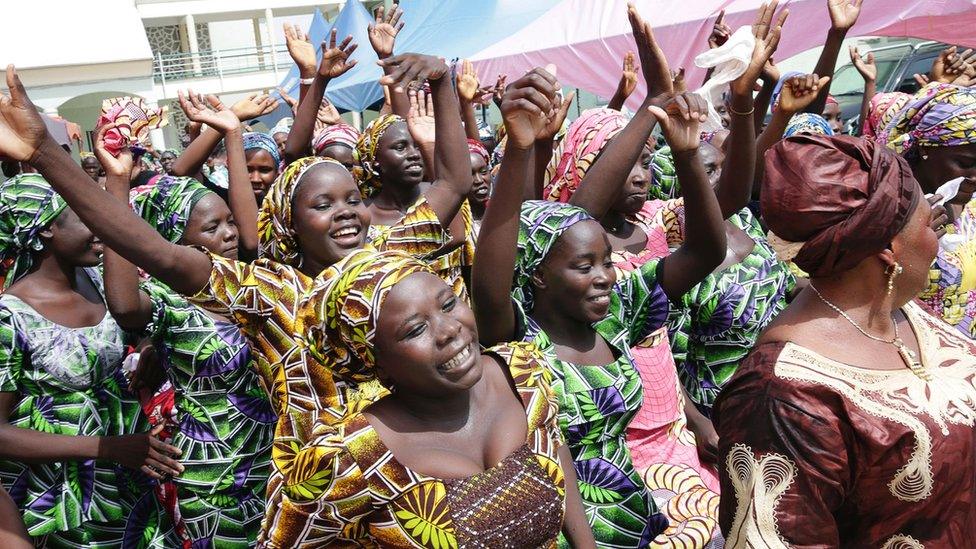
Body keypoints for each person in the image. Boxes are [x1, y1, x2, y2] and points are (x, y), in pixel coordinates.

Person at [0, 54, 471, 545]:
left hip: (415, 482)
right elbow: (154, 252)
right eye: (323, 205)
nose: (346, 214)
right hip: (325, 506)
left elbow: (452, 183)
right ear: (289, 223)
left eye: (353, 199)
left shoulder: (386, 263)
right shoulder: (271, 296)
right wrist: (46, 156)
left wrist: (441, 83)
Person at [474, 51, 728, 547]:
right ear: (539, 275)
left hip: (635, 520)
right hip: (568, 534)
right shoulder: (518, 341)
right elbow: (492, 270)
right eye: (584, 266)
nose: (605, 277)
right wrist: (521, 150)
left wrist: (687, 157)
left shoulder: (614, 319)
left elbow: (704, 250)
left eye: (606, 262)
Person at [715, 133, 976, 546]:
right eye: (928, 223)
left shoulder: (902, 312)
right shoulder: (783, 399)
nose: (937, 238)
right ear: (889, 249)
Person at [267, 247, 596, 547]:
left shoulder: (523, 373)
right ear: (377, 363)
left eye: (449, 304)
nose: (449, 329)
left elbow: (556, 447)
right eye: (414, 330)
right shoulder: (353, 457)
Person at [94, 121, 274, 547]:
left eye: (229, 221)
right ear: (174, 240)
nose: (229, 234)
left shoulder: (251, 283)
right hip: (215, 481)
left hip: (275, 462)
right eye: (212, 228)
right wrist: (118, 184)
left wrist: (232, 133)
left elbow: (252, 237)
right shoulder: (170, 302)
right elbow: (122, 304)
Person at [0, 173, 182, 547]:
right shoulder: (11, 317)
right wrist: (108, 448)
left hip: (135, 475)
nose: (100, 228)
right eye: (86, 216)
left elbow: (142, 321)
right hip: (66, 502)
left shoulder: (101, 281)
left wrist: (146, 345)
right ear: (47, 228)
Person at [885, 83, 976, 339]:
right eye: (966, 163)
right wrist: (909, 248)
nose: (974, 176)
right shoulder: (886, 212)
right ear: (925, 149)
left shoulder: (968, 208)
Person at [467, 137, 491, 235]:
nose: (479, 180)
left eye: (484, 172)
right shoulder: (454, 221)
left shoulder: (501, 213)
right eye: (469, 174)